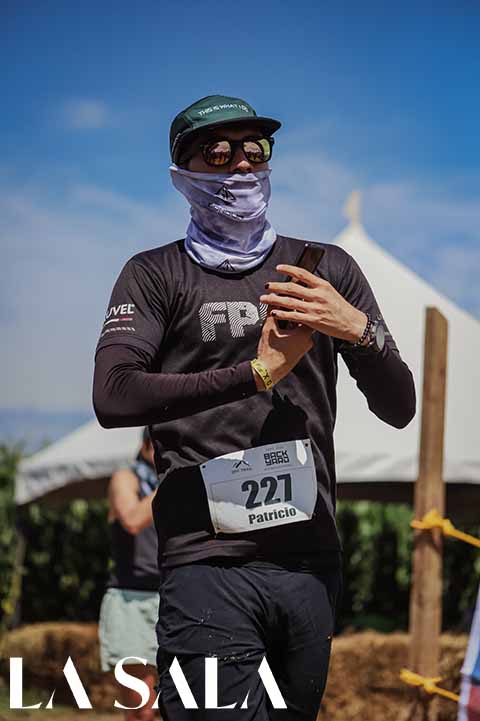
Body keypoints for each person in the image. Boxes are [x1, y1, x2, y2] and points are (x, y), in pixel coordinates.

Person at [93, 94, 416, 720]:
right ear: (182, 174)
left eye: (255, 150)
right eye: (218, 154)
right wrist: (257, 373)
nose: (241, 165)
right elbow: (114, 394)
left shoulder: (324, 269)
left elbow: (400, 406)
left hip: (309, 563)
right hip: (206, 560)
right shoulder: (155, 274)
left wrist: (357, 330)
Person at [98, 428, 161, 721]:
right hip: (132, 601)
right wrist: (173, 482)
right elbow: (133, 520)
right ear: (147, 445)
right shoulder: (125, 478)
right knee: (143, 711)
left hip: (176, 598)